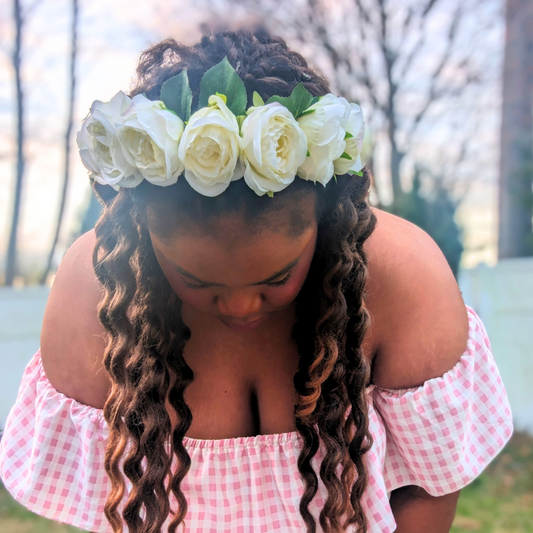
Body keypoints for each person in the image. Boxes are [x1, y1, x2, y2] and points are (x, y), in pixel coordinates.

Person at [0, 29, 513, 533]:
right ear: (145, 234)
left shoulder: (400, 277)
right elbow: (107, 503)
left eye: (276, 277)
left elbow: (428, 484)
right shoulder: (97, 291)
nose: (241, 307)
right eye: (200, 282)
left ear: (325, 220)